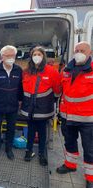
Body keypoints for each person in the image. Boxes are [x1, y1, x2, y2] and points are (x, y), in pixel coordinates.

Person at [56, 42, 93, 188]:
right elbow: (60, 90)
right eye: (76, 50)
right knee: (69, 142)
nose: (79, 52)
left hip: (87, 118)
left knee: (89, 148)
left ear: (89, 52)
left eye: (82, 50)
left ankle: (90, 177)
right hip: (68, 117)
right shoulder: (66, 70)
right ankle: (70, 164)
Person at [20, 46, 61, 166]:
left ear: (43, 56)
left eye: (39, 54)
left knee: (42, 132)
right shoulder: (26, 71)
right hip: (29, 108)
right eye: (34, 54)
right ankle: (29, 150)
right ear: (31, 57)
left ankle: (42, 153)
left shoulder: (51, 71)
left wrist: (54, 103)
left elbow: (57, 89)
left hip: (43, 109)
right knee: (30, 130)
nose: (36, 56)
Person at [0, 45, 23, 161]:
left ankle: (9, 149)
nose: (11, 58)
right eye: (8, 55)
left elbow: (21, 87)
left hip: (13, 105)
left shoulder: (18, 70)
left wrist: (21, 100)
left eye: (13, 55)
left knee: (11, 129)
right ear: (2, 57)